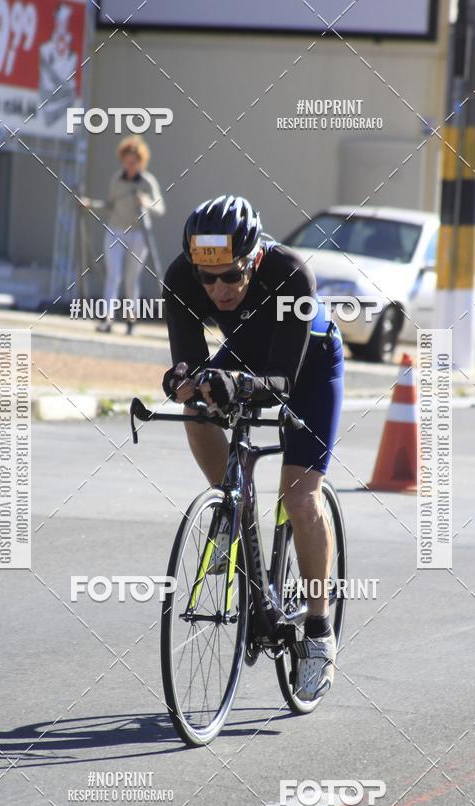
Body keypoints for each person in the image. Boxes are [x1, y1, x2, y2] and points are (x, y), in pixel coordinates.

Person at [161, 195, 345, 702]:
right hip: (246, 354)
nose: (218, 289)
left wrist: (233, 384)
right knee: (195, 406)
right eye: (207, 278)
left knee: (300, 497)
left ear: (255, 258)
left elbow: (283, 378)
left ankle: (317, 630)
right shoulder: (181, 276)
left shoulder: (290, 273)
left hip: (308, 366)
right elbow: (190, 363)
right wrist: (185, 381)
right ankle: (230, 504)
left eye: (231, 277)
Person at [84, 136, 165, 334]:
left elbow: (160, 208)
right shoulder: (117, 179)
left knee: (131, 278)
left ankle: (131, 320)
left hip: (138, 234)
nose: (130, 165)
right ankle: (107, 319)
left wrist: (147, 202)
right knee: (114, 275)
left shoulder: (147, 181)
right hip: (116, 230)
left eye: (134, 162)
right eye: (127, 161)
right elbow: (110, 205)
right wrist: (90, 204)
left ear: (141, 161)